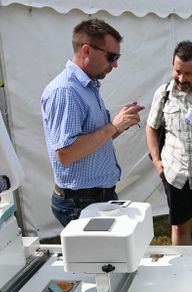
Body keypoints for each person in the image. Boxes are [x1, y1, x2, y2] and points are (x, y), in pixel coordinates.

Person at [41, 19, 144, 227]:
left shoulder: (88, 86)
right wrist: (113, 126)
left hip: (93, 197)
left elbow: (93, 140)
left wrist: (118, 125)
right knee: (95, 259)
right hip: (80, 201)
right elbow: (66, 153)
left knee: (105, 258)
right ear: (86, 50)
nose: (115, 64)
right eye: (111, 56)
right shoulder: (66, 91)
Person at [146, 41, 192, 245]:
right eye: (177, 71)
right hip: (177, 175)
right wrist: (157, 163)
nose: (181, 79)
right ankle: (183, 271)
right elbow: (151, 127)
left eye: (189, 73)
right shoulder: (164, 93)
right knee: (179, 226)